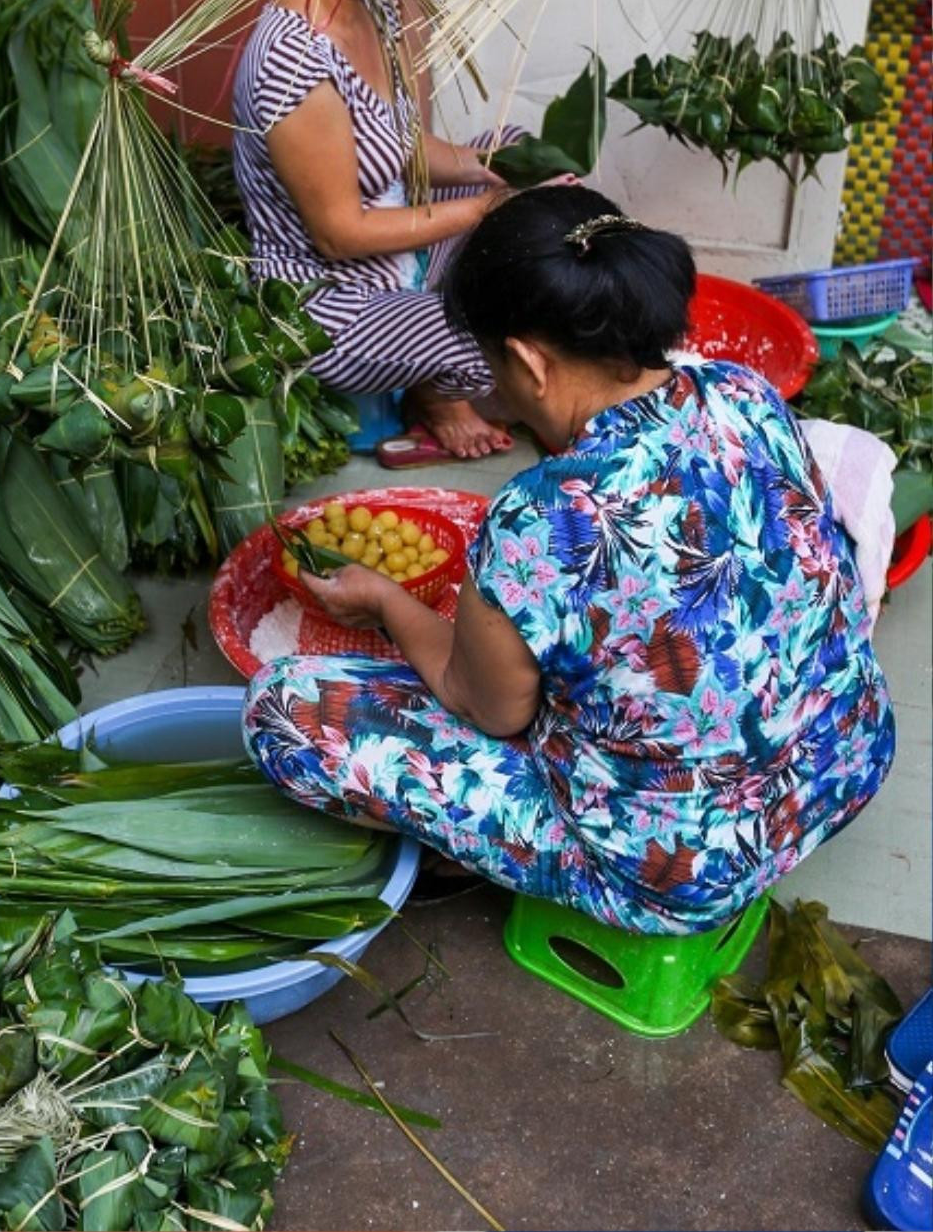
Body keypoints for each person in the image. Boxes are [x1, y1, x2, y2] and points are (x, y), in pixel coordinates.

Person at [243, 187, 896, 933]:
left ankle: (482, 858)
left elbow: (485, 709)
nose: (489, 388)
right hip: (849, 761)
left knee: (285, 708)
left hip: (686, 869)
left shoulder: (539, 521)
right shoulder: (740, 391)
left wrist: (389, 602)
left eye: (489, 364)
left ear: (527, 359)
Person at [233, 0, 514, 462]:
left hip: (397, 260)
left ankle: (421, 364)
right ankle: (435, 395)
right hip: (329, 302)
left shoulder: (372, 3)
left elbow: (402, 145)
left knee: (519, 151)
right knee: (490, 343)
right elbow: (341, 233)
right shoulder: (293, 56)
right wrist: (473, 213)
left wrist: (486, 168)